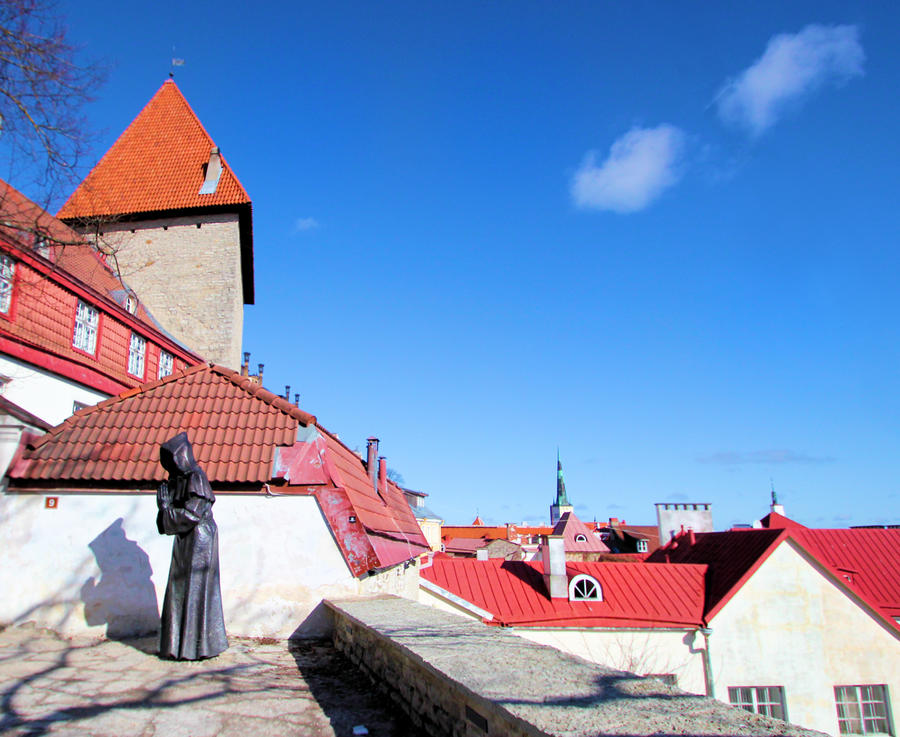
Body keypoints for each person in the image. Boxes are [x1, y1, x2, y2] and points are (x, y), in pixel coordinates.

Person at [156, 432, 227, 659]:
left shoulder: (196, 477)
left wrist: (167, 509)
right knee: (181, 588)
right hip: (186, 538)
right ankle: (178, 645)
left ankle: (196, 646)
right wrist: (166, 509)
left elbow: (192, 513)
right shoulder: (181, 479)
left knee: (194, 589)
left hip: (199, 539)